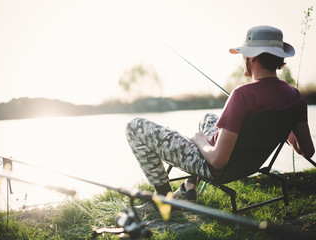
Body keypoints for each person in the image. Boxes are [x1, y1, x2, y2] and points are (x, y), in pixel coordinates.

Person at [125, 25, 315, 214]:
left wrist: (200, 141)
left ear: (252, 57)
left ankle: (166, 202)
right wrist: (282, 127)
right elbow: (307, 150)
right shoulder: (295, 97)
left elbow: (217, 161)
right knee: (208, 118)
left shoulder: (242, 95)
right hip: (247, 165)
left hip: (215, 167)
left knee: (135, 127)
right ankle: (190, 188)